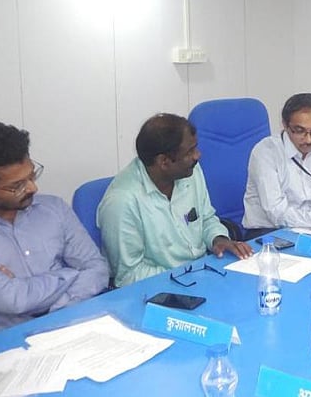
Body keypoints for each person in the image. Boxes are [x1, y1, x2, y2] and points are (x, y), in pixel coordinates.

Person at [0, 122, 109, 346]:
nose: (33, 188)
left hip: (62, 325)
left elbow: (96, 267)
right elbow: (12, 300)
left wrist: (59, 309)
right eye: (17, 186)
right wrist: (69, 274)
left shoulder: (53, 208)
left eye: (32, 175)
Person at [98, 114, 252, 287]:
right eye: (190, 152)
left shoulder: (189, 171)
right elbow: (128, 275)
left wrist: (219, 239)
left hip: (201, 276)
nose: (198, 156)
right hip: (160, 289)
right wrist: (187, 275)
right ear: (163, 161)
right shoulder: (122, 202)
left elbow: (207, 218)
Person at [242, 93, 311, 234]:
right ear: (284, 125)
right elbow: (277, 213)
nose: (308, 139)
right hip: (270, 231)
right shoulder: (266, 152)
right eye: (300, 131)